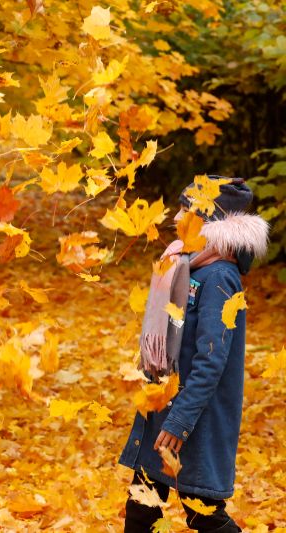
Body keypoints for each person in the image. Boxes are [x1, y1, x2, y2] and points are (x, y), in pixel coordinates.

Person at [119, 176, 269, 532]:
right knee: (142, 506)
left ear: (209, 221)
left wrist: (180, 421)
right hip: (164, 407)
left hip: (194, 417)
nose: (175, 218)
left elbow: (212, 359)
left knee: (203, 513)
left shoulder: (219, 276)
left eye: (186, 211)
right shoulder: (184, 262)